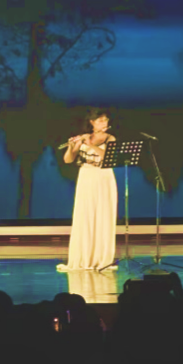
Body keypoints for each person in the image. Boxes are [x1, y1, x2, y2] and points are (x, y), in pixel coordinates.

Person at [57, 108, 119, 272]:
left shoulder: (110, 138)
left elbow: (108, 157)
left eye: (105, 120)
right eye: (100, 120)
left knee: (103, 214)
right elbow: (68, 160)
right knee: (85, 214)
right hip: (86, 176)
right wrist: (72, 146)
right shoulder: (84, 137)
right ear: (92, 122)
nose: (104, 123)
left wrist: (90, 144)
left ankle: (101, 257)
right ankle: (84, 256)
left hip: (104, 176)